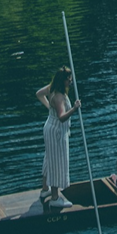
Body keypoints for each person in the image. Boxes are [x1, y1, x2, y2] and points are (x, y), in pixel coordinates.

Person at [36, 65, 81, 208]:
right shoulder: (59, 97)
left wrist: (49, 107)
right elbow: (62, 117)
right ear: (63, 81)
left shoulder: (51, 88)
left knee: (49, 158)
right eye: (68, 80)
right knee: (56, 161)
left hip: (50, 126)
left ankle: (45, 190)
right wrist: (74, 108)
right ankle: (55, 197)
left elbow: (39, 94)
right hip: (56, 131)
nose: (70, 83)